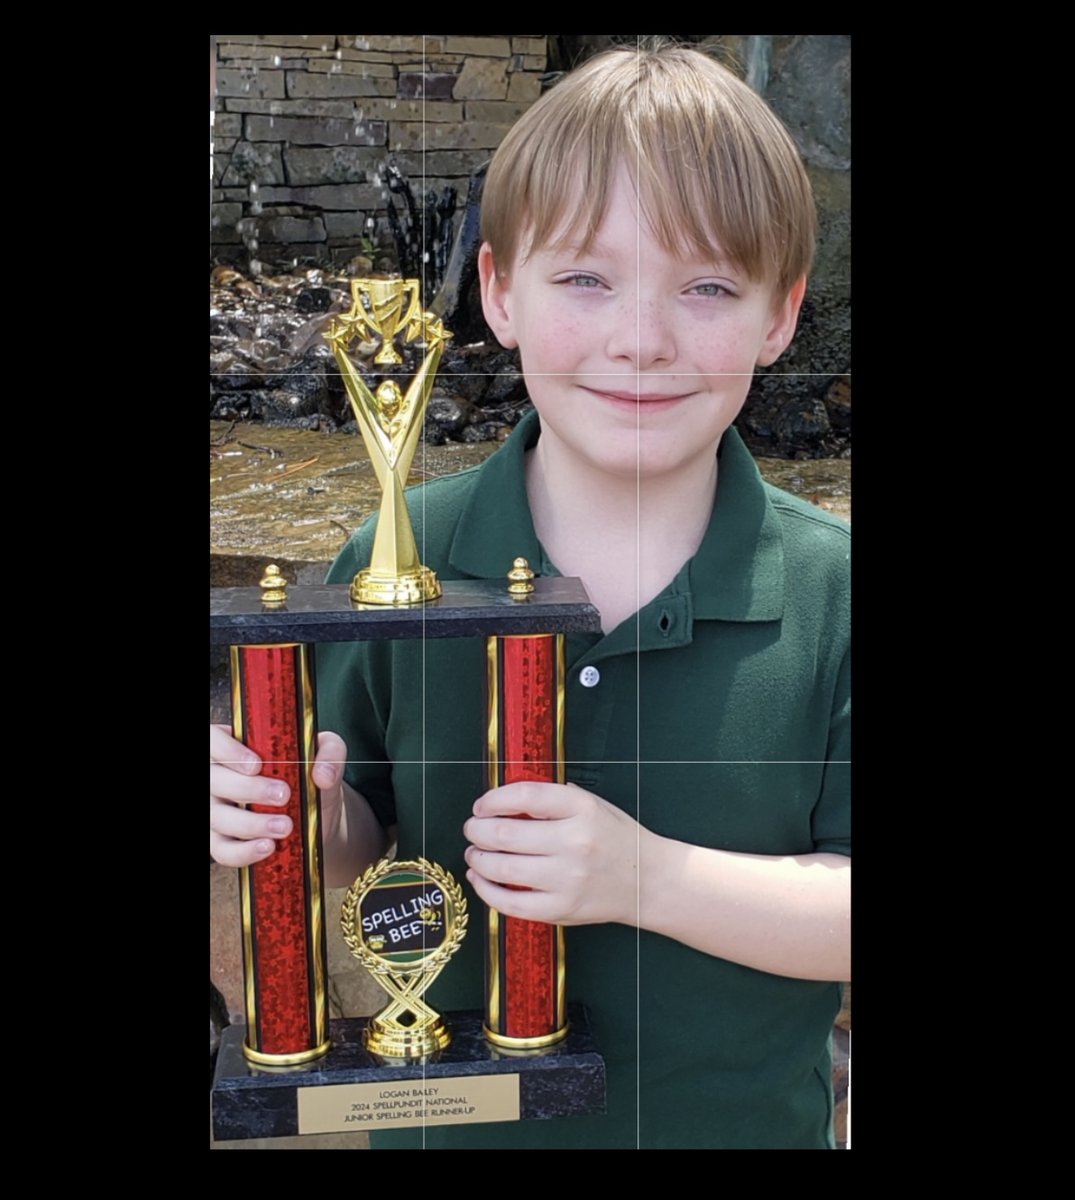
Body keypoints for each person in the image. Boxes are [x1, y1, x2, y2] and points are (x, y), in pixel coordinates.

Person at [210, 43, 850, 1149]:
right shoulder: (394, 556)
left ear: (780, 315)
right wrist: (301, 822)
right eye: (585, 279)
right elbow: (370, 864)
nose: (638, 340)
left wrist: (640, 875)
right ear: (498, 292)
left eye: (705, 286)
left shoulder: (834, 589)